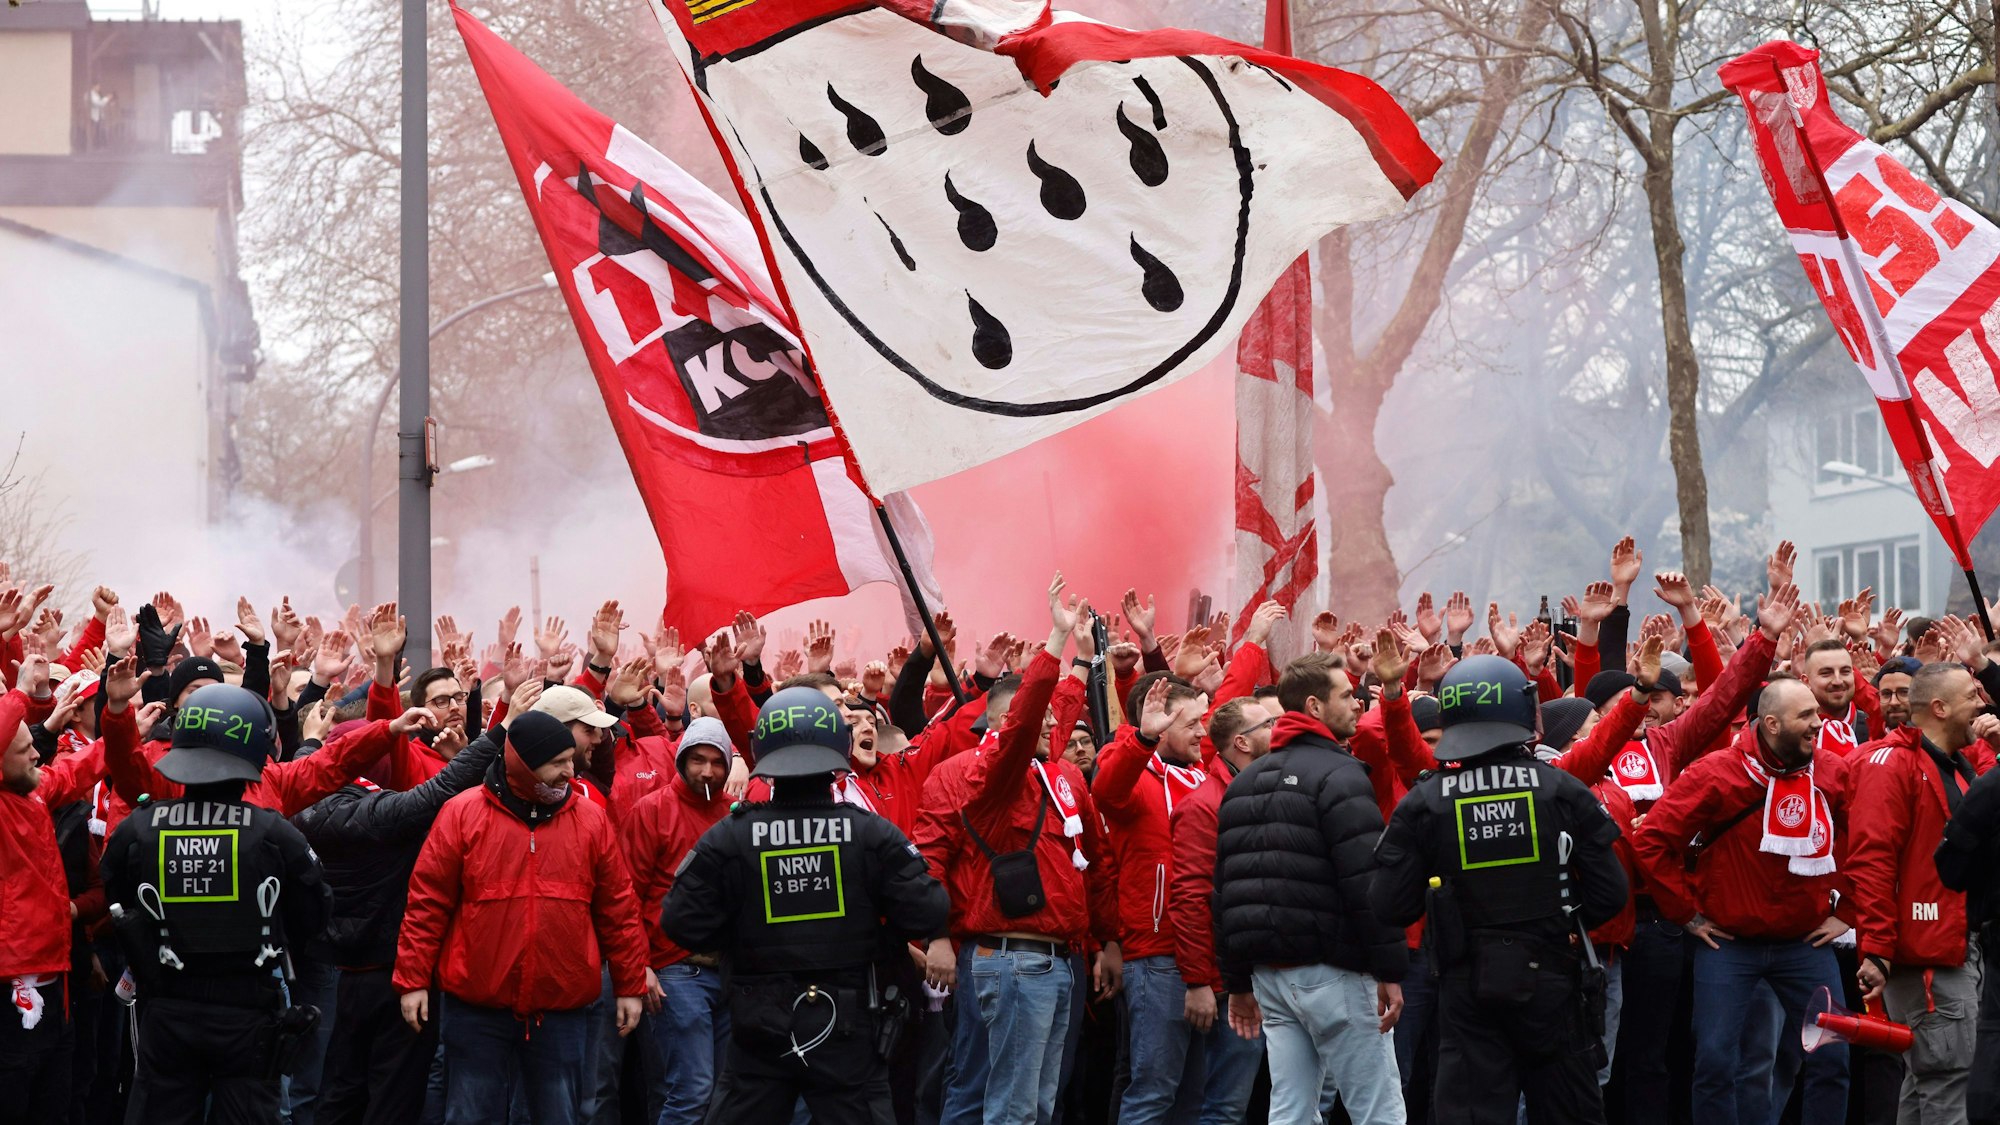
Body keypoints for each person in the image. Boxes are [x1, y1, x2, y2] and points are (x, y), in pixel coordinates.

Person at [660, 686, 950, 1123]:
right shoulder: (869, 833)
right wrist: (876, 928)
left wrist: (739, 935)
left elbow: (679, 920)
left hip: (759, 1028)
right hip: (850, 1028)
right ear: (836, 745)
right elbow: (928, 910)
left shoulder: (731, 834)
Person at [1369, 655, 1628, 1125]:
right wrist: (1566, 923)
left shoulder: (1426, 800)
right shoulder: (1562, 788)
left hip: (1466, 991)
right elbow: (1611, 892)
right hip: (1554, 981)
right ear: (1523, 711)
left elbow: (1388, 904)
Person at [915, 576, 1121, 1125]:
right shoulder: (990, 774)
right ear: (1011, 726)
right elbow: (928, 864)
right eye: (1047, 719)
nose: (1060, 727)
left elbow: (1094, 863)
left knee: (1038, 1105)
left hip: (1059, 960)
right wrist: (1054, 643)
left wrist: (1106, 941)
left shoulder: (1048, 773)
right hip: (1010, 960)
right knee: (1004, 1103)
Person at [393, 709, 649, 1125]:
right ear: (523, 763)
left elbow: (618, 908)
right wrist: (413, 981)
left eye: (571, 759)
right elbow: (427, 903)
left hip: (561, 1008)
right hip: (476, 1007)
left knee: (559, 1116)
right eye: (558, 763)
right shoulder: (462, 813)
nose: (570, 771)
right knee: (470, 1116)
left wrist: (630, 985)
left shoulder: (590, 820)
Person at [99, 680, 335, 1123]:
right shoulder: (275, 834)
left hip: (166, 1009)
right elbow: (313, 915)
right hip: (249, 1012)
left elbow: (115, 895)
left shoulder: (139, 828)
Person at [293, 682, 523, 1125]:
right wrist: (502, 729)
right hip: (397, 976)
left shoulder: (307, 798)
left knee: (341, 1089)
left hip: (348, 975)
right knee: (391, 1098)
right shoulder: (374, 813)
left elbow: (305, 765)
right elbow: (441, 789)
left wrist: (312, 740)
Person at [1631, 677, 1856, 1125]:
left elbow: (1868, 841)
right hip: (1728, 947)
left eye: (1817, 713)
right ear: (1771, 724)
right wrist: (1686, 914)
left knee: (1832, 1059)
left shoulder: (1833, 771)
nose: (1819, 724)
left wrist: (1845, 912)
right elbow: (1651, 840)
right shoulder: (1715, 772)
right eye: (1806, 716)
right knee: (1715, 1062)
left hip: (1805, 946)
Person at [1212, 650, 1408, 1125]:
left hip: (1270, 979)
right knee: (1379, 1112)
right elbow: (1366, 882)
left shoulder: (1243, 782)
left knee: (1291, 1112)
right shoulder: (1341, 774)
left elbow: (1226, 893)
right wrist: (1390, 969)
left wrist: (1239, 982)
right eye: (1347, 695)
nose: (1358, 703)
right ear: (1316, 707)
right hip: (1333, 972)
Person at [1848, 661, 1994, 1124]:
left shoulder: (1956, 765)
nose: (1982, 704)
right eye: (1973, 696)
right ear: (1939, 707)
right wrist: (1877, 948)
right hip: (1925, 954)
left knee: (1926, 1080)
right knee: (1950, 1079)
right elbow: (1871, 861)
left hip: (1951, 946)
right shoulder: (1891, 764)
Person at [619, 716, 736, 1125]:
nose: (707, 771)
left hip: (730, 971)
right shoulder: (651, 810)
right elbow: (627, 895)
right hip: (674, 971)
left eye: (717, 761)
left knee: (723, 1095)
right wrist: (640, 967)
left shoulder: (735, 814)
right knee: (691, 1091)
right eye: (698, 759)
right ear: (682, 759)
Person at [1167, 695, 1274, 1125]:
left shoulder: (1260, 792)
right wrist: (1199, 981)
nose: (1278, 729)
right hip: (1228, 983)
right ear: (1242, 744)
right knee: (1222, 1107)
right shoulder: (1205, 804)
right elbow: (1191, 898)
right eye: (1268, 723)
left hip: (1260, 976)